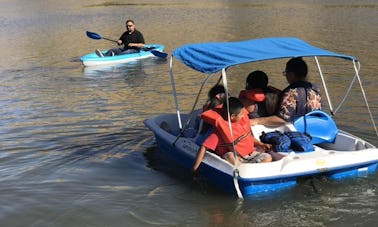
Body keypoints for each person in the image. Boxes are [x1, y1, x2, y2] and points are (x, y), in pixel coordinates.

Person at [192, 97, 272, 173]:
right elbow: (204, 147)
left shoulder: (242, 123)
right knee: (229, 155)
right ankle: (243, 170)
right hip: (235, 158)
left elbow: (247, 137)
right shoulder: (219, 131)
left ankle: (252, 170)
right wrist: (195, 169)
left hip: (250, 155)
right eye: (241, 114)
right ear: (232, 116)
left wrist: (261, 144)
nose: (243, 115)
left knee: (268, 157)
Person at [250, 57, 321, 127]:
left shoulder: (292, 93)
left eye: (286, 73)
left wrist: (257, 121)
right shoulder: (314, 88)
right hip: (313, 126)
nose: (286, 76)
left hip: (297, 129)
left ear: (291, 74)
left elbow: (282, 119)